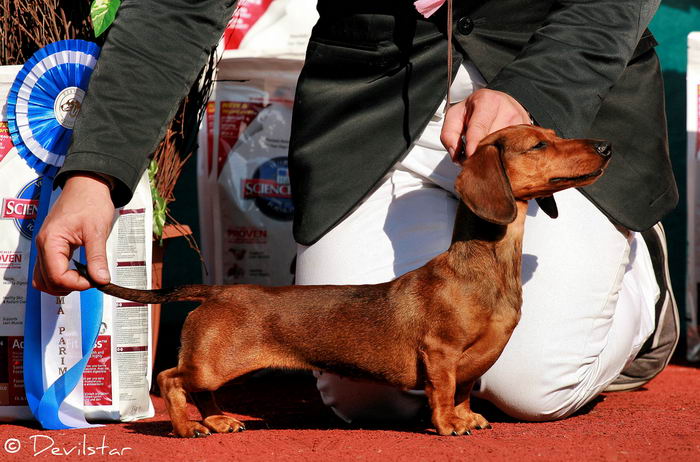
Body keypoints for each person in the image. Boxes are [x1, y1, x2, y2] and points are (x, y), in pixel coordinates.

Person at [34, 0, 678, 422]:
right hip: (376, 102)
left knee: (535, 385)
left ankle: (640, 288)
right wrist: (97, 173)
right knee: (366, 391)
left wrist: (534, 93)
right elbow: (178, 7)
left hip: (562, 99)